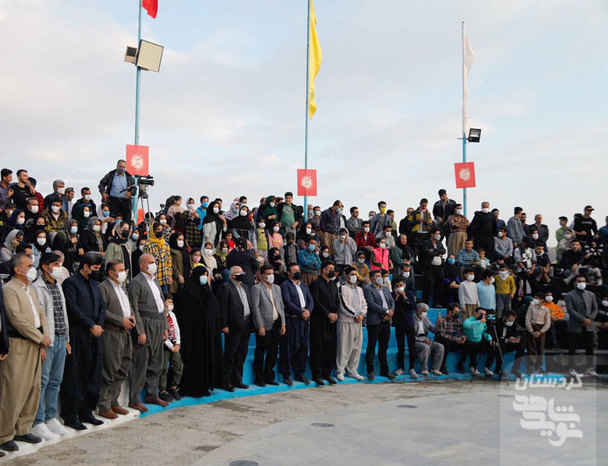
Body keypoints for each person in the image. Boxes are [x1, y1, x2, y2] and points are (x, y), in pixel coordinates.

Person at [0, 254, 50, 452]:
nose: (32, 269)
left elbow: (41, 314)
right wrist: (39, 337)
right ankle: (4, 434)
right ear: (17, 269)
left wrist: (45, 336)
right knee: (14, 390)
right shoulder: (9, 289)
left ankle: (23, 428)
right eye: (29, 265)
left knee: (33, 388)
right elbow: (16, 319)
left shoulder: (30, 289)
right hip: (19, 344)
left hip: (36, 344)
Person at [60, 252, 106, 430]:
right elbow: (72, 308)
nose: (97, 271)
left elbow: (102, 306)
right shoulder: (70, 283)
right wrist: (90, 325)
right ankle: (71, 415)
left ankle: (87, 411)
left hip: (95, 334)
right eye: (95, 268)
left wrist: (98, 325)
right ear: (85, 266)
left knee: (93, 373)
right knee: (76, 374)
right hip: (79, 333)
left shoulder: (95, 284)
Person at [31, 253, 71, 440]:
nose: (59, 267)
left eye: (60, 263)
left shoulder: (58, 286)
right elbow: (37, 318)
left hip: (61, 338)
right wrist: (41, 342)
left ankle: (51, 417)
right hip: (47, 341)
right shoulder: (36, 288)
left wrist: (67, 339)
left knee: (56, 380)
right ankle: (38, 421)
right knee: (43, 381)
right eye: (55, 264)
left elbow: (62, 314)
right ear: (45, 266)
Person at [127, 254, 170, 410]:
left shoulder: (156, 281)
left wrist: (165, 326)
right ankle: (134, 398)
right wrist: (140, 331)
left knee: (157, 362)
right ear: (142, 265)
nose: (154, 265)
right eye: (151, 262)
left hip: (158, 323)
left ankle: (152, 394)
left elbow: (162, 305)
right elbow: (133, 308)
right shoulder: (136, 282)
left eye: (155, 262)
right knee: (141, 362)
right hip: (145, 323)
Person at [97, 260, 137, 419]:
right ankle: (104, 405)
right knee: (109, 369)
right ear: (111, 272)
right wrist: (120, 320)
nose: (123, 273)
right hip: (112, 333)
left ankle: (114, 401)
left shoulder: (123, 288)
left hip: (125, 333)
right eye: (120, 270)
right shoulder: (103, 288)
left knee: (123, 367)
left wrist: (131, 316)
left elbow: (127, 305)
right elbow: (103, 311)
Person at [178, 266, 223, 398]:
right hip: (193, 335)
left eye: (206, 274)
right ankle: (193, 388)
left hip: (207, 333)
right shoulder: (188, 290)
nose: (204, 277)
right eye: (202, 274)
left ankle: (206, 385)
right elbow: (185, 313)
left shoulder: (207, 290)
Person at [218, 266, 253, 392]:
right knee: (230, 354)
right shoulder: (225, 287)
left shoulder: (245, 287)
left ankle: (237, 380)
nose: (241, 274)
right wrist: (224, 325)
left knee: (241, 354)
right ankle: (226, 381)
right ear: (232, 275)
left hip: (246, 324)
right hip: (233, 326)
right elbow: (222, 307)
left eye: (242, 272)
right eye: (238, 273)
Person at [251, 265, 286, 386]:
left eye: (272, 273)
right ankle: (259, 378)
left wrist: (283, 323)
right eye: (268, 273)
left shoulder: (277, 288)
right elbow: (255, 308)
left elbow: (281, 306)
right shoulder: (256, 288)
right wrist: (260, 326)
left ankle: (269, 376)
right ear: (262, 275)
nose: (271, 276)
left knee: (273, 352)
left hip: (276, 324)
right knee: (261, 352)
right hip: (264, 325)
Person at [280, 263, 314, 385]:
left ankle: (300, 373)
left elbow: (310, 300)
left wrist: (308, 311)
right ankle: (286, 374)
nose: (297, 272)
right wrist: (300, 312)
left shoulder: (303, 285)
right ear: (289, 273)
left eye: (298, 270)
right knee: (289, 347)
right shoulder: (285, 285)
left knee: (303, 347)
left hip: (303, 320)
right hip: (292, 319)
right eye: (294, 271)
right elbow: (287, 302)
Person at [308, 261, 340, 385]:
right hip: (319, 320)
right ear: (323, 270)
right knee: (318, 348)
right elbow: (316, 302)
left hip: (332, 321)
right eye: (330, 269)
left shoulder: (333, 284)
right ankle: (316, 375)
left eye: (333, 268)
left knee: (330, 348)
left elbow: (337, 301)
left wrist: (335, 314)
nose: (332, 271)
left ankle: (327, 373)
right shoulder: (316, 284)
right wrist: (328, 314)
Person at [335, 266, 367, 381]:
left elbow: (364, 303)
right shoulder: (341, 288)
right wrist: (355, 315)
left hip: (358, 321)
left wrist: (362, 314)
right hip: (346, 321)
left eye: (355, 275)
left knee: (356, 347)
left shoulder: (359, 289)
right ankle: (340, 370)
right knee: (344, 347)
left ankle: (352, 369)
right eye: (352, 275)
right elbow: (343, 305)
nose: (354, 277)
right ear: (346, 275)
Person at [363, 270, 395, 380]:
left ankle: (384, 371)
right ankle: (370, 371)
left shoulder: (385, 289)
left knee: (384, 347)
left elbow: (392, 302)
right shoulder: (368, 289)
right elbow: (371, 304)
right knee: (371, 346)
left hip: (386, 321)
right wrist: (386, 312)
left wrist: (390, 313)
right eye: (377, 276)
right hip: (374, 321)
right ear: (372, 278)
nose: (380, 278)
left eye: (380, 276)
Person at [564, 276, 598, 376]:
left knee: (590, 347)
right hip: (575, 325)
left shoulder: (591, 294)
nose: (582, 283)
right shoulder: (569, 295)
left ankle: (589, 368)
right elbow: (570, 310)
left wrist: (589, 319)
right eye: (579, 281)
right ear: (575, 282)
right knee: (573, 347)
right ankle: (571, 368)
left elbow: (595, 308)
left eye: (583, 281)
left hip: (589, 325)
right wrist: (583, 320)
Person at [392, 276, 418, 378]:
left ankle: (412, 368)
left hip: (409, 323)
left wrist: (405, 297)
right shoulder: (393, 295)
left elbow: (413, 306)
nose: (399, 287)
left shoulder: (409, 293)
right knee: (400, 346)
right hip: (399, 323)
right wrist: (397, 297)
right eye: (397, 286)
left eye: (401, 285)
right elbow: (392, 307)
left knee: (412, 346)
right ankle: (401, 367)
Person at [159, 295, 183, 402]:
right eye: (169, 302)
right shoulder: (160, 315)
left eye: (172, 302)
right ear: (163, 303)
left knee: (178, 366)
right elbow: (162, 334)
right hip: (165, 346)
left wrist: (177, 344)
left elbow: (177, 330)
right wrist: (171, 346)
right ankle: (162, 390)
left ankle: (173, 387)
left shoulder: (172, 315)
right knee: (164, 368)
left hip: (174, 345)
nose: (171, 304)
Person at [463, 307, 497, 376]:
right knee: (473, 345)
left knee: (493, 345)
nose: (482, 316)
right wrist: (480, 321)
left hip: (479, 341)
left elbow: (485, 332)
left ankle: (487, 367)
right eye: (481, 314)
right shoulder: (468, 321)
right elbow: (468, 326)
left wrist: (490, 339)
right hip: (469, 341)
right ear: (475, 313)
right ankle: (473, 367)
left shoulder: (483, 323)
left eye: (484, 314)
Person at [413, 303, 445, 376]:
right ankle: (424, 369)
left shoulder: (425, 319)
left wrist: (438, 324)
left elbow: (434, 330)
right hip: (416, 340)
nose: (425, 313)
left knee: (440, 346)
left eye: (426, 311)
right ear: (418, 311)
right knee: (425, 347)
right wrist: (423, 341)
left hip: (425, 338)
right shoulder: (412, 319)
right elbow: (411, 336)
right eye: (424, 311)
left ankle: (435, 368)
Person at [435, 303, 467, 374]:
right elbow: (442, 334)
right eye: (455, 312)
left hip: (453, 340)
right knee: (445, 343)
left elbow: (460, 332)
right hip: (443, 339)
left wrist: (462, 337)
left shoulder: (457, 321)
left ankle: (461, 364)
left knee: (466, 344)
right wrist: (456, 339)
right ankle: (442, 366)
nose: (457, 313)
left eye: (458, 312)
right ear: (450, 311)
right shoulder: (442, 320)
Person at [524, 292, 551, 373]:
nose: (534, 299)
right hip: (532, 328)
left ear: (542, 300)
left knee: (540, 349)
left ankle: (539, 367)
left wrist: (540, 332)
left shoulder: (546, 310)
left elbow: (548, 323)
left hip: (541, 329)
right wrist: (531, 331)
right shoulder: (531, 308)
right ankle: (530, 368)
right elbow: (527, 320)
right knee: (531, 349)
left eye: (536, 298)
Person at [143, 222, 173, 293]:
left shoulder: (165, 244)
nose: (160, 231)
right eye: (158, 229)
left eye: (161, 229)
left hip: (164, 279)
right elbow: (146, 262)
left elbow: (169, 261)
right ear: (153, 231)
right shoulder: (148, 245)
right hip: (153, 279)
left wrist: (169, 275)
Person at [421, 228, 445, 307]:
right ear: (432, 234)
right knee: (429, 285)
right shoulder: (426, 242)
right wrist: (437, 253)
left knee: (438, 286)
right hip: (430, 268)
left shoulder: (439, 243)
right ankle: (425, 303)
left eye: (439, 233)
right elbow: (426, 252)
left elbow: (443, 251)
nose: (438, 235)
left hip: (439, 268)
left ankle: (437, 303)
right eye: (437, 233)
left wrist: (434, 250)